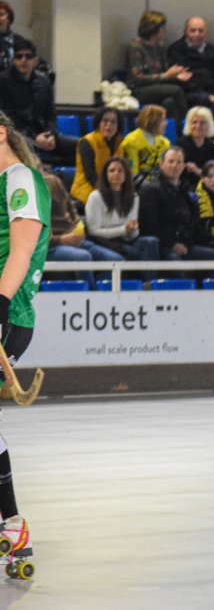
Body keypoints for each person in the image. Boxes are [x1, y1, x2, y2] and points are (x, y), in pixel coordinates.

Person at [0, 111, 51, 565]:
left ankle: (12, 525)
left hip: (9, 314)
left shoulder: (19, 178)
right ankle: (12, 526)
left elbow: (21, 247)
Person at [139, 147, 214, 263]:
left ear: (183, 166)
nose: (175, 165)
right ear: (161, 164)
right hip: (163, 246)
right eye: (171, 161)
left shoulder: (185, 191)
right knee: (176, 261)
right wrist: (172, 244)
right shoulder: (151, 189)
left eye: (179, 162)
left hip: (187, 244)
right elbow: (149, 226)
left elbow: (195, 226)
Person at [43, 167, 124, 288]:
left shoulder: (52, 182)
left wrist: (78, 226)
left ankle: (100, 293)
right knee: (83, 257)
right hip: (49, 246)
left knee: (117, 261)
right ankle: (91, 299)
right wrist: (60, 239)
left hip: (72, 238)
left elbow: (71, 208)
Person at [0, 38, 72, 163]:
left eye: (28, 56)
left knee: (82, 145)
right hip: (16, 135)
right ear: (13, 60)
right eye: (19, 56)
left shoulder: (44, 82)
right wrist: (35, 138)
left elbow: (50, 114)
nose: (24, 60)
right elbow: (9, 118)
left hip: (43, 134)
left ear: (35, 60)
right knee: (26, 145)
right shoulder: (3, 81)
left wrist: (51, 134)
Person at [84, 156, 160, 263]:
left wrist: (132, 230)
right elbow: (93, 231)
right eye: (112, 170)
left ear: (126, 175)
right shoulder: (95, 197)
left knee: (151, 242)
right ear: (106, 175)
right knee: (134, 253)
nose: (116, 173)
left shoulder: (134, 197)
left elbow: (132, 234)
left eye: (120, 171)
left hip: (125, 240)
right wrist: (124, 230)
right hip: (103, 241)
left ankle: (150, 280)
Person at [126, 10, 189, 120]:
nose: (165, 31)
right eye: (163, 28)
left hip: (156, 88)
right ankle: (188, 123)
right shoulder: (136, 47)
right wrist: (165, 76)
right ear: (154, 29)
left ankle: (176, 131)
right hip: (139, 89)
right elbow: (137, 78)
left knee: (169, 102)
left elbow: (164, 71)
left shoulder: (159, 48)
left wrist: (175, 75)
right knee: (176, 90)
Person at [166, 16, 214, 110]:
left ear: (206, 33)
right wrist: (206, 97)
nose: (197, 34)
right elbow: (181, 82)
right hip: (189, 96)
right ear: (185, 32)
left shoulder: (213, 50)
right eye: (192, 31)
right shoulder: (175, 50)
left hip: (213, 94)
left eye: (201, 31)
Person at [70, 107, 122, 204]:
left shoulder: (119, 144)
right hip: (87, 188)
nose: (108, 125)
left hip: (111, 188)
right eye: (105, 121)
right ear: (98, 123)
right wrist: (108, 192)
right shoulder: (87, 142)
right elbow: (90, 175)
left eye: (113, 122)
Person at [120, 104, 171, 185]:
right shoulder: (131, 141)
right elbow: (132, 174)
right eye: (162, 120)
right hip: (139, 187)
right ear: (151, 121)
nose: (166, 123)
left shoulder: (165, 142)